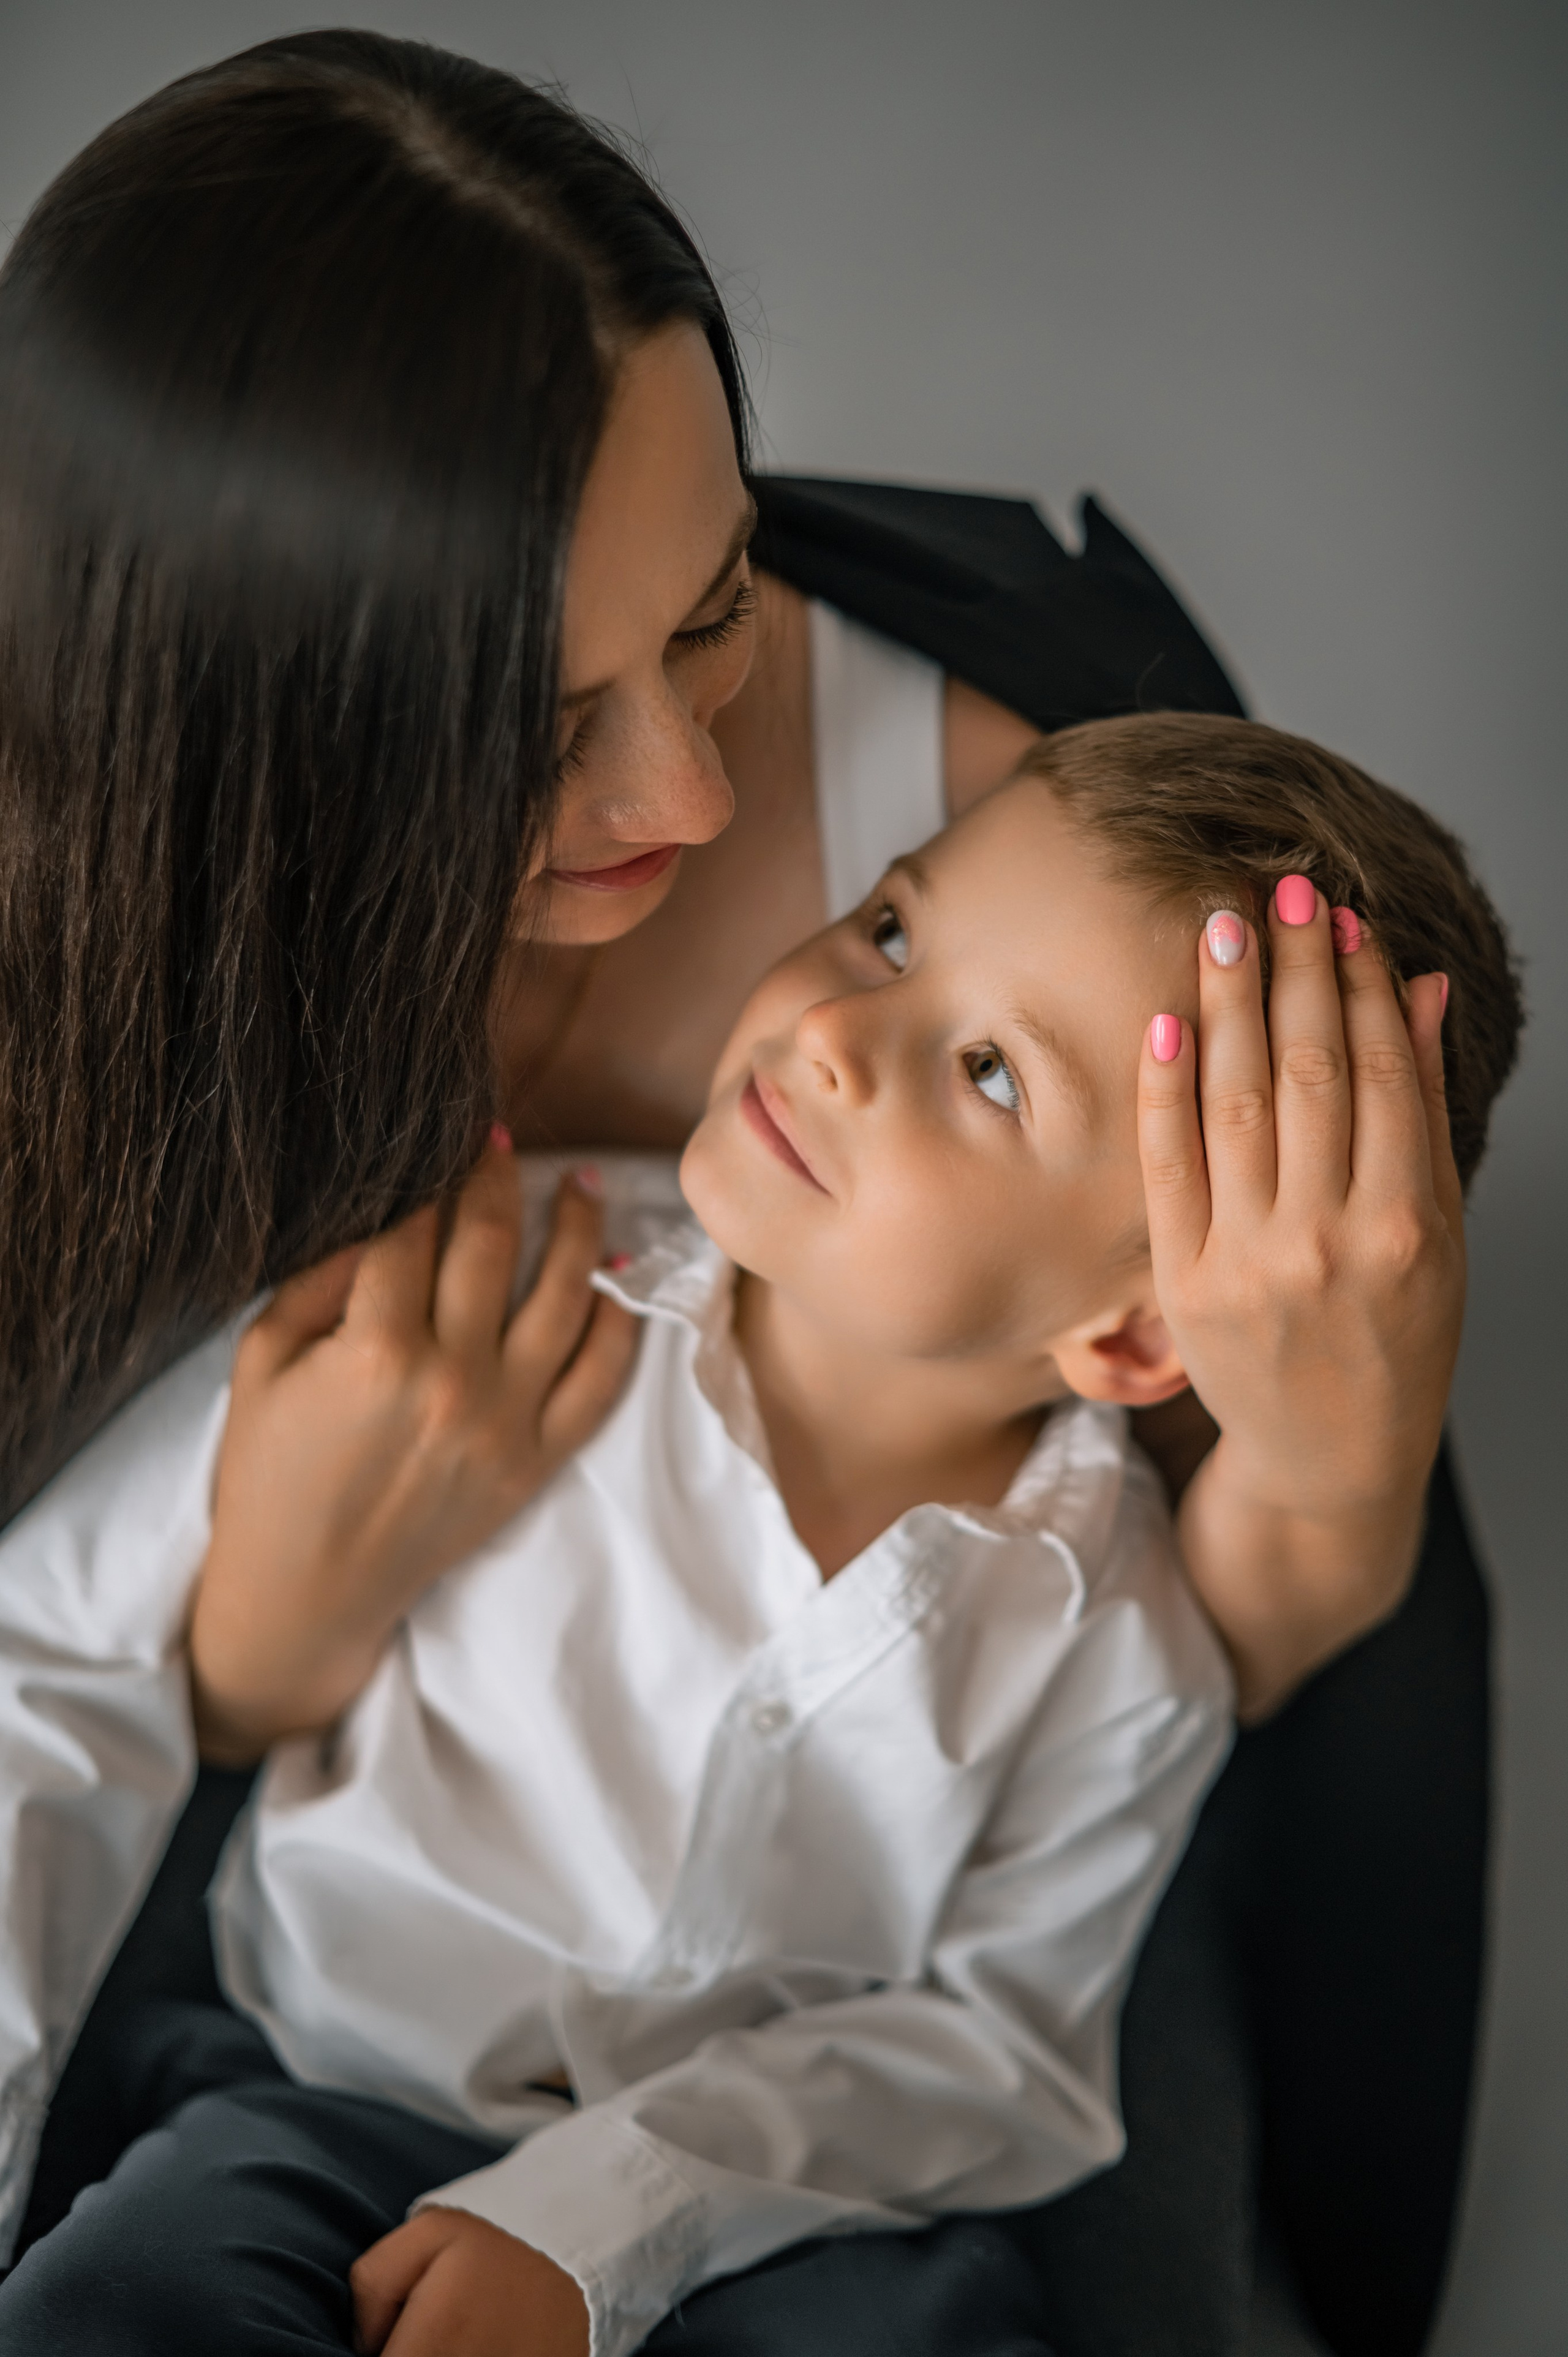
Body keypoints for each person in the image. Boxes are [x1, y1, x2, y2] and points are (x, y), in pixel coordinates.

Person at [0, 29, 1506, 2356]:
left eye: (714, 604)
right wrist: (244, 1654)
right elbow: (54, 1670)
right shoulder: (554, 1260)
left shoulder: (1076, 842)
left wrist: (1330, 1455)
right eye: (530, 716)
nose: (701, 801)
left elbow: (1052, 2002)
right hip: (299, 2040)